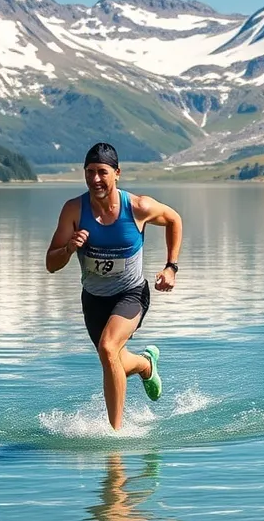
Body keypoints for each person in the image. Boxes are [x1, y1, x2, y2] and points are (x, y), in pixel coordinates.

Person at [46, 142, 183, 430]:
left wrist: (171, 266)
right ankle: (145, 365)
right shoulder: (73, 210)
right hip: (94, 299)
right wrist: (69, 248)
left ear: (117, 173)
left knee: (108, 348)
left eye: (102, 172)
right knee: (114, 360)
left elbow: (174, 219)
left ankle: (115, 437)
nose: (95, 179)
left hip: (131, 294)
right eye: (90, 172)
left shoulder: (138, 207)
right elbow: (51, 263)